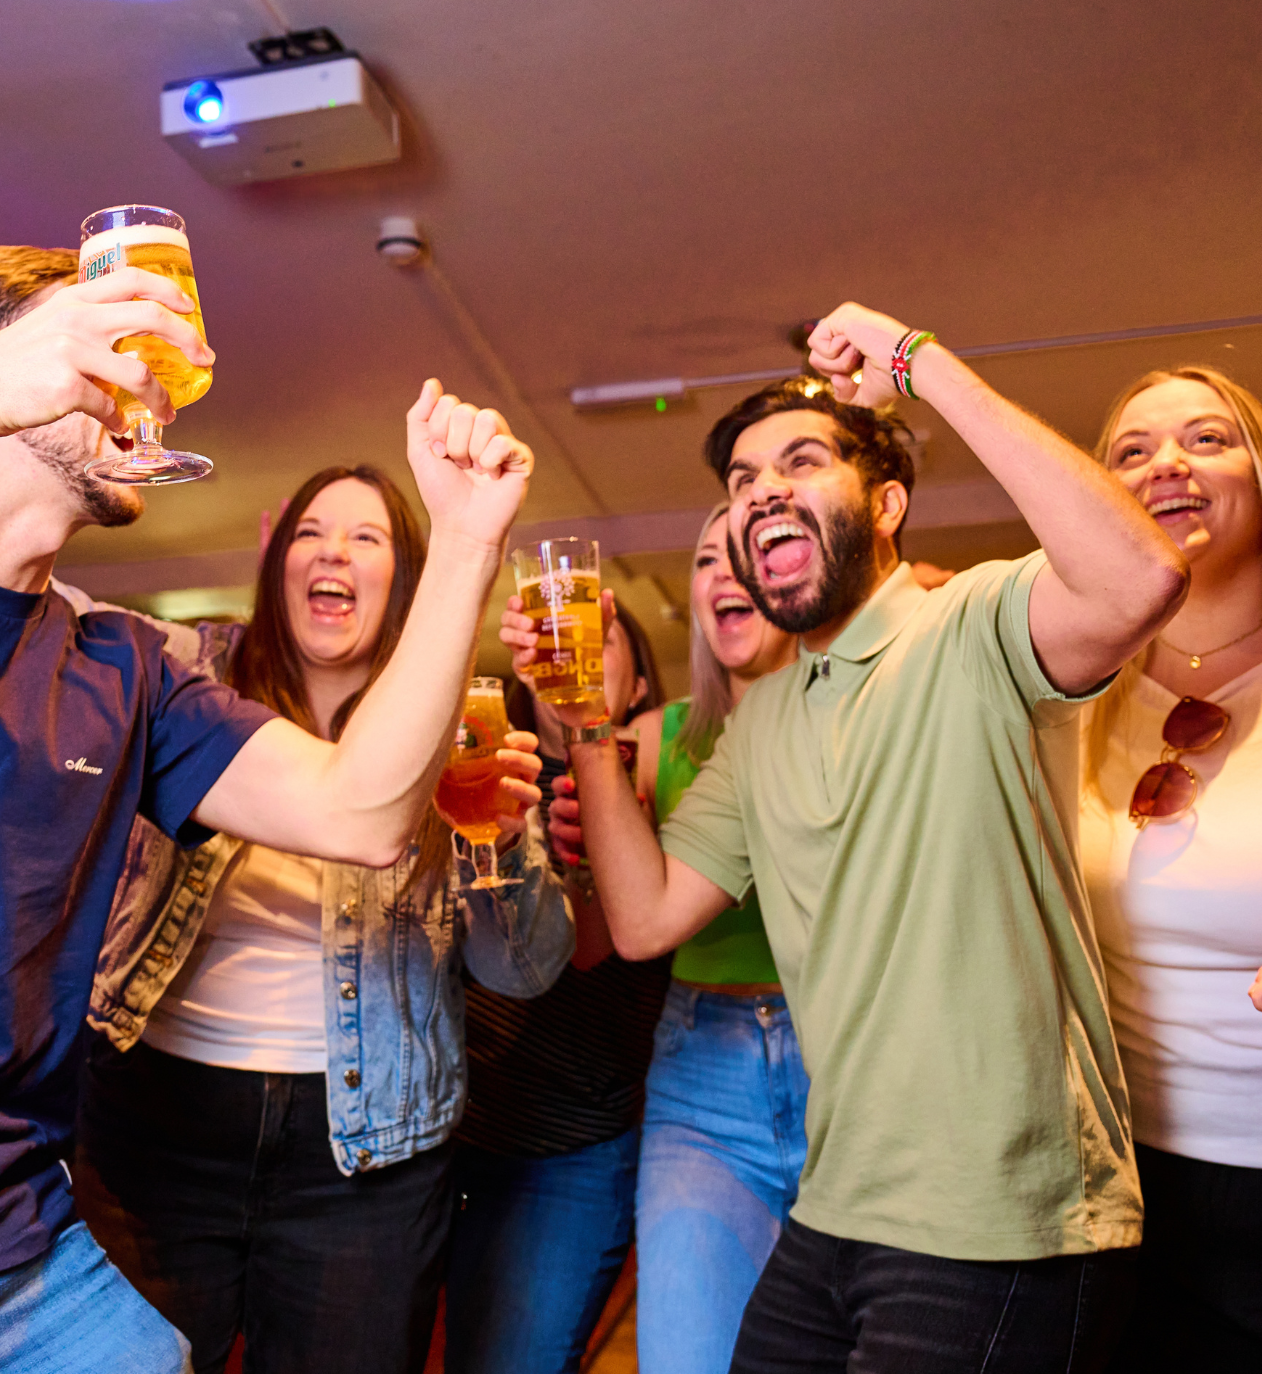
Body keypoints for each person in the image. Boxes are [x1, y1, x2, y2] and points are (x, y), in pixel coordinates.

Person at [508, 300, 1192, 1373]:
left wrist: (926, 368)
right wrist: (589, 722)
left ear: (887, 504)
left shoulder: (972, 622)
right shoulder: (763, 720)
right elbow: (643, 922)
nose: (761, 490)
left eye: (802, 459)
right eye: (738, 483)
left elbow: (1139, 576)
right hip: (839, 1208)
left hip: (998, 1222)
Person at [0, 245, 532, 1372]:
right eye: (100, 342)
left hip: (12, 1249)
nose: (148, 384)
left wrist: (462, 544)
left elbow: (363, 814)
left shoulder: (125, 666)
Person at [59, 464, 573, 1374]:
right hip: (158, 1122)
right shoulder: (188, 671)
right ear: (277, 563)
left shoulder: (461, 726)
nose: (333, 550)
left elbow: (522, 971)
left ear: (408, 583)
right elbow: (53, 606)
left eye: (366, 538)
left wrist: (494, 845)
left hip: (368, 1153)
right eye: (310, 533)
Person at [543, 503, 805, 1374]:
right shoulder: (653, 740)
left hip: (848, 1053)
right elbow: (596, 946)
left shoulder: (856, 724)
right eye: (704, 560)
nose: (723, 574)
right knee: (686, 1355)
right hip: (704, 1073)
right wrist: (579, 856)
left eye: (747, 554)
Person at [1079, 365, 1262, 1369]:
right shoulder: (1075, 688)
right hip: (1120, 1182)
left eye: (1208, 438)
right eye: (1133, 451)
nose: (1169, 466)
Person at [443, 604, 669, 1374]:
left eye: (597, 642)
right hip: (444, 1133)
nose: (569, 654)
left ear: (638, 684)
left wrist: (596, 848)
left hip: (566, 1151)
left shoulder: (657, 778)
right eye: (555, 641)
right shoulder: (481, 765)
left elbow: (585, 956)